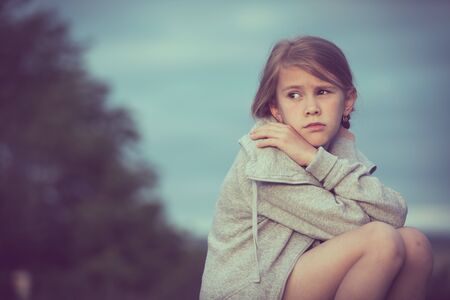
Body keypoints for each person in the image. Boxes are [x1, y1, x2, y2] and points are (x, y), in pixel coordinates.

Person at [199, 35, 433, 300]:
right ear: (276, 108)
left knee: (416, 244)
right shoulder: (265, 158)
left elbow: (394, 214)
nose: (311, 108)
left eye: (323, 91)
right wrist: (316, 159)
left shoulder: (325, 151)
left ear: (348, 101)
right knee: (381, 240)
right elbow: (357, 226)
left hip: (290, 280)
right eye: (294, 95)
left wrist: (321, 157)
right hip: (249, 292)